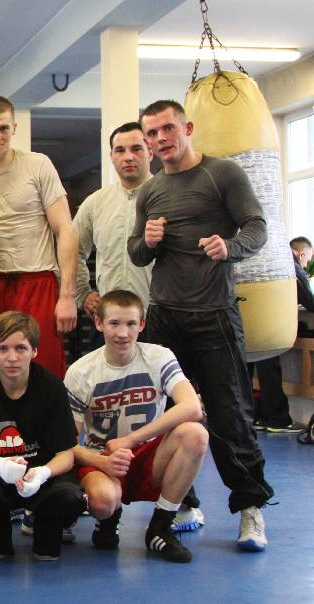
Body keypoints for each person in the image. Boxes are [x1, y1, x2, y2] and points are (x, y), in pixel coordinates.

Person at [129, 99, 274, 552]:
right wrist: (147, 241)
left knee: (230, 415)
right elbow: (136, 252)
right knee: (169, 416)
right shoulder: (150, 190)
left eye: (167, 128)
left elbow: (257, 226)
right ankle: (183, 503)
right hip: (165, 318)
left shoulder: (222, 174)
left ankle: (250, 508)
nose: (160, 139)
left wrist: (230, 247)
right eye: (152, 133)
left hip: (214, 314)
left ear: (187, 127)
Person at [65, 290, 209, 562]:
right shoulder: (81, 371)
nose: (123, 333)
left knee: (195, 434)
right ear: (99, 323)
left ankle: (160, 527)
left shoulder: (159, 357)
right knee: (103, 501)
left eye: (131, 324)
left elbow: (192, 407)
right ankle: (108, 520)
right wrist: (103, 461)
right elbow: (66, 443)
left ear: (142, 325)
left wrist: (132, 440)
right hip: (103, 458)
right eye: (114, 323)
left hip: (148, 456)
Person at [0, 94, 77, 378]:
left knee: (43, 372)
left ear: (14, 128)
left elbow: (65, 229)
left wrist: (68, 295)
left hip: (38, 281)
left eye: (3, 128)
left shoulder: (38, 164)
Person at [0, 311, 84, 561]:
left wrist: (43, 473)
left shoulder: (52, 388)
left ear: (34, 351)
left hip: (41, 478)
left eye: (21, 348)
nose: (12, 358)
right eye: (2, 349)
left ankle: (45, 534)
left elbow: (66, 453)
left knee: (70, 496)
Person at [74, 122, 154, 317]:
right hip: (109, 317)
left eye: (136, 149)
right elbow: (71, 251)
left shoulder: (168, 197)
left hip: (158, 316)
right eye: (120, 150)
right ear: (111, 156)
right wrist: (83, 294)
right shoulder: (95, 203)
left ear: (150, 152)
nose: (128, 157)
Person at [249, 237, 314, 433]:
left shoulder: (262, 257)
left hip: (247, 322)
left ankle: (250, 417)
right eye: (308, 259)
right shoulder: (289, 264)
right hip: (269, 325)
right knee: (269, 371)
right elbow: (309, 301)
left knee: (245, 373)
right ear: (301, 254)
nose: (306, 264)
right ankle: (277, 419)